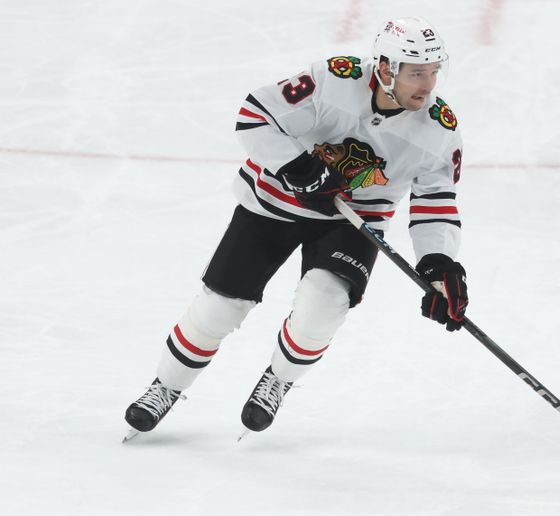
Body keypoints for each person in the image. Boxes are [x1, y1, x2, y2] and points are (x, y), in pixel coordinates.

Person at [124, 16, 469, 438]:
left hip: (351, 222)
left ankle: (279, 379)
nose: (429, 85)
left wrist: (438, 264)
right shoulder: (334, 80)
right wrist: (297, 167)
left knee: (323, 305)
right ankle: (166, 386)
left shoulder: (438, 130)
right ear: (385, 68)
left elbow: (436, 203)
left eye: (434, 72)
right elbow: (255, 114)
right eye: (417, 73)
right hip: (272, 204)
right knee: (220, 308)